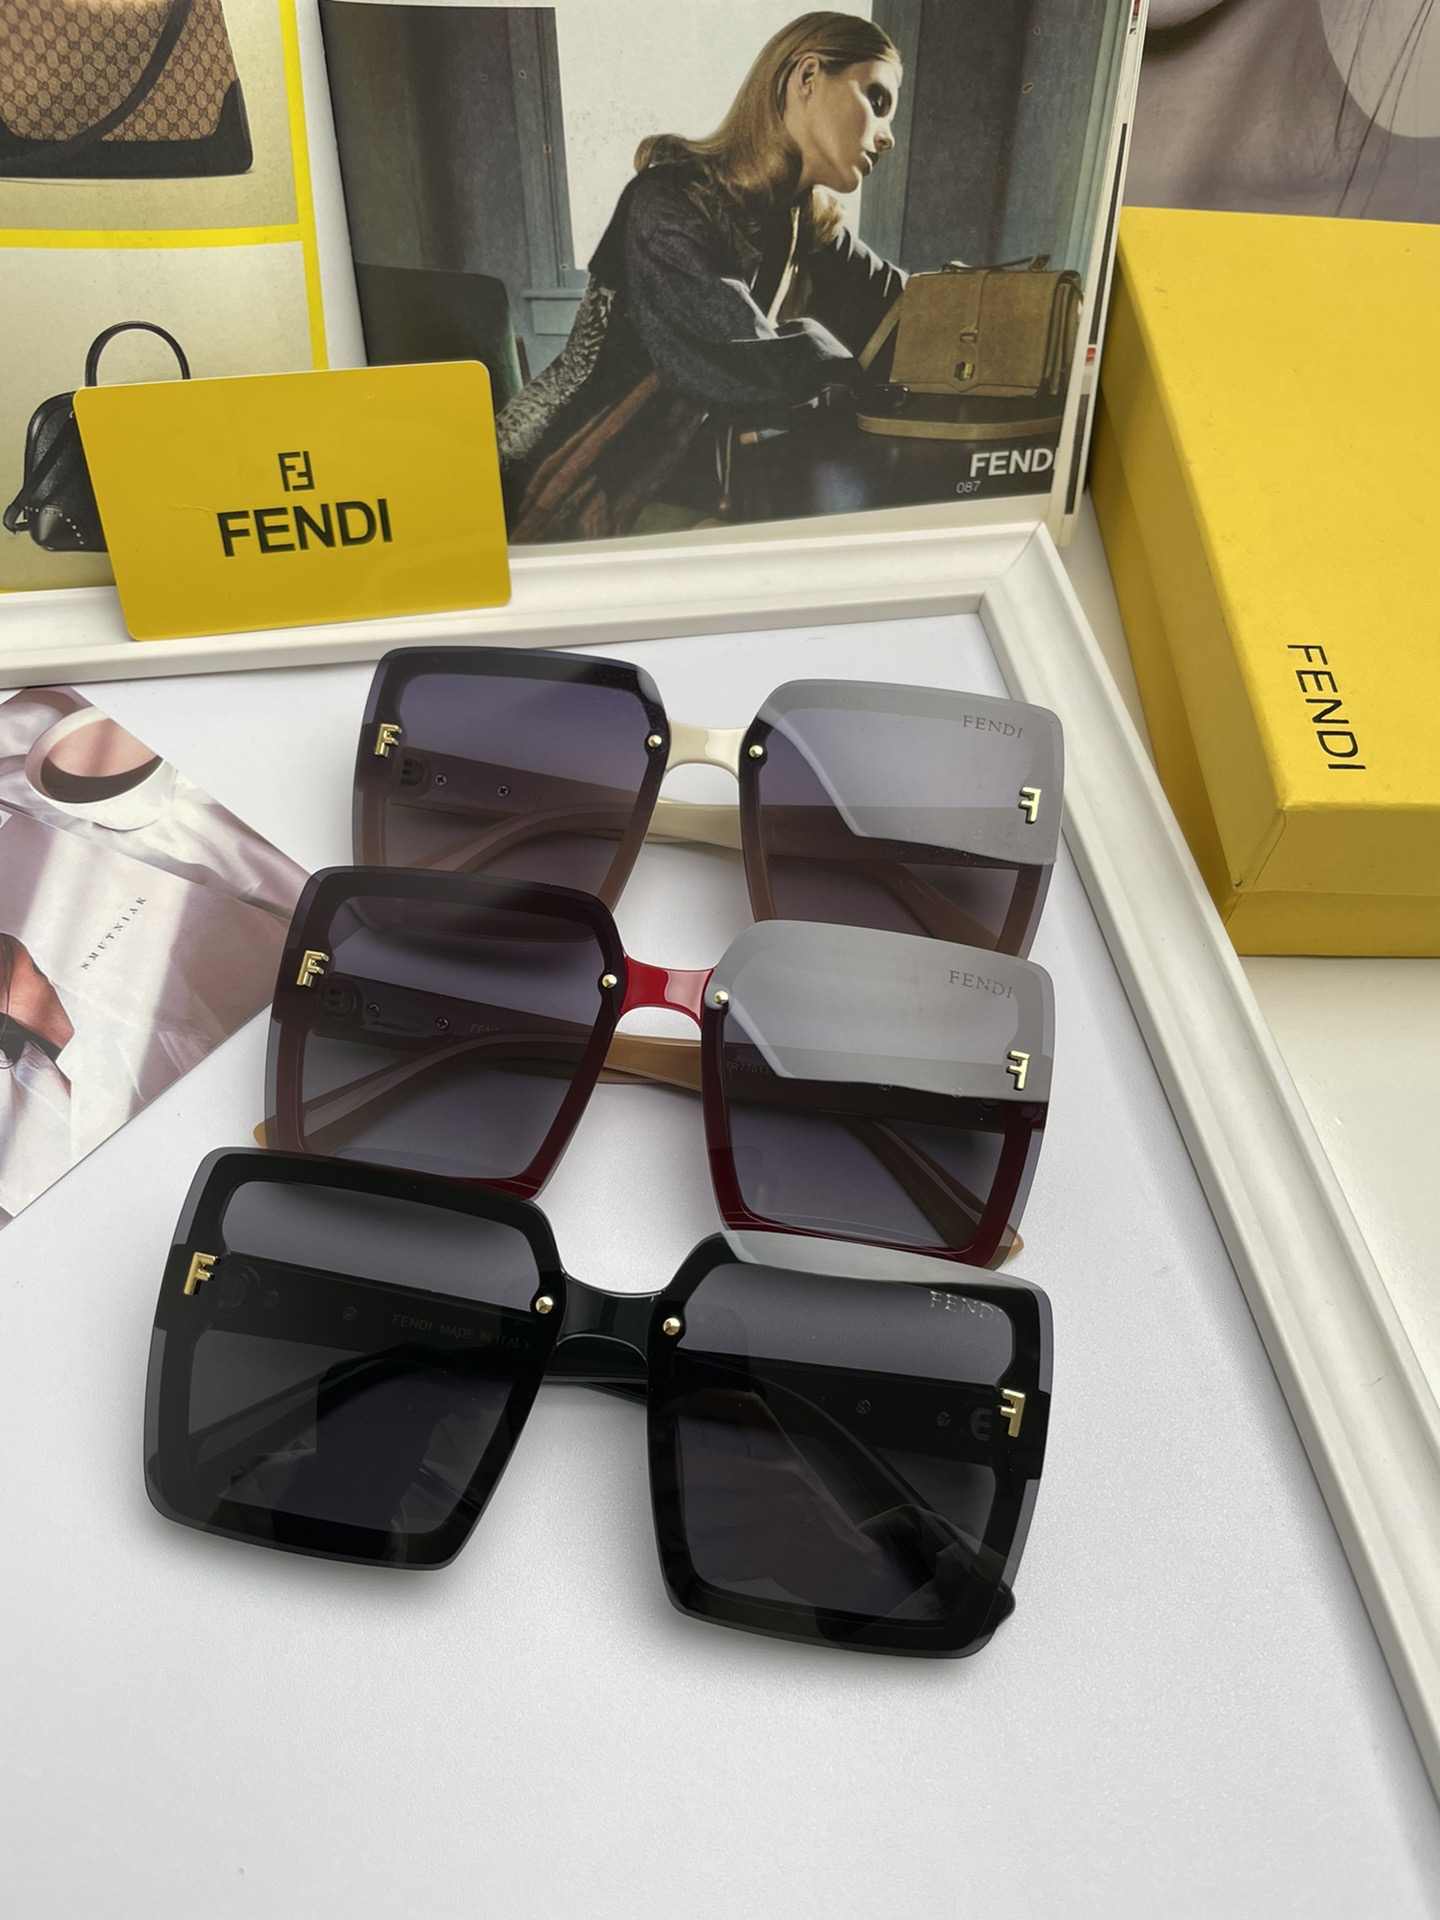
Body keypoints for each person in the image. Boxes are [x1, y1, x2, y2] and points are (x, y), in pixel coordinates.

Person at [496, 10, 907, 543]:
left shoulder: (804, 217)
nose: (887, 136)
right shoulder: (666, 200)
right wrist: (843, 372)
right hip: (571, 466)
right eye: (877, 100)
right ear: (807, 76)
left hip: (676, 474)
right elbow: (734, 355)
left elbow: (905, 303)